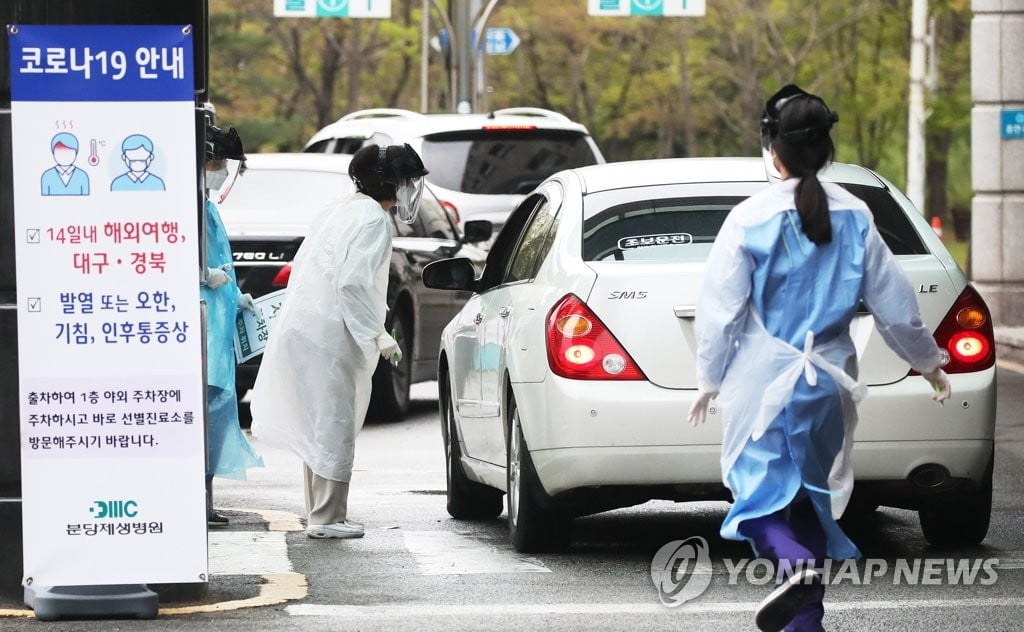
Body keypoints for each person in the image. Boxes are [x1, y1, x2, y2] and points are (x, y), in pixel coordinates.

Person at [689, 84, 952, 632]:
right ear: (826, 149)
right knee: (812, 497)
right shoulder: (856, 215)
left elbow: (719, 312)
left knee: (758, 498)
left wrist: (708, 380)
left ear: (773, 149)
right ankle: (805, 623)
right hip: (829, 380)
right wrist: (929, 363)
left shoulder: (749, 218)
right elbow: (896, 307)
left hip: (763, 381)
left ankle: (797, 567)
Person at [250, 143, 428, 539]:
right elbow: (352, 284)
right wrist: (377, 333)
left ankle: (321, 511)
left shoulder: (341, 209)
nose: (409, 189)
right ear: (388, 183)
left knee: (319, 422)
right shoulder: (375, 221)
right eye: (405, 181)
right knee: (334, 421)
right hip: (331, 333)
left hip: (308, 328)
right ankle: (328, 519)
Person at [202, 123, 264, 526]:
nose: (223, 169)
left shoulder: (206, 205)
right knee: (203, 411)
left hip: (219, 317)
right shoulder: (188, 204)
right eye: (220, 160)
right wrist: (204, 275)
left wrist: (231, 293)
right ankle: (197, 502)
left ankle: (203, 501)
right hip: (205, 320)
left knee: (216, 412)